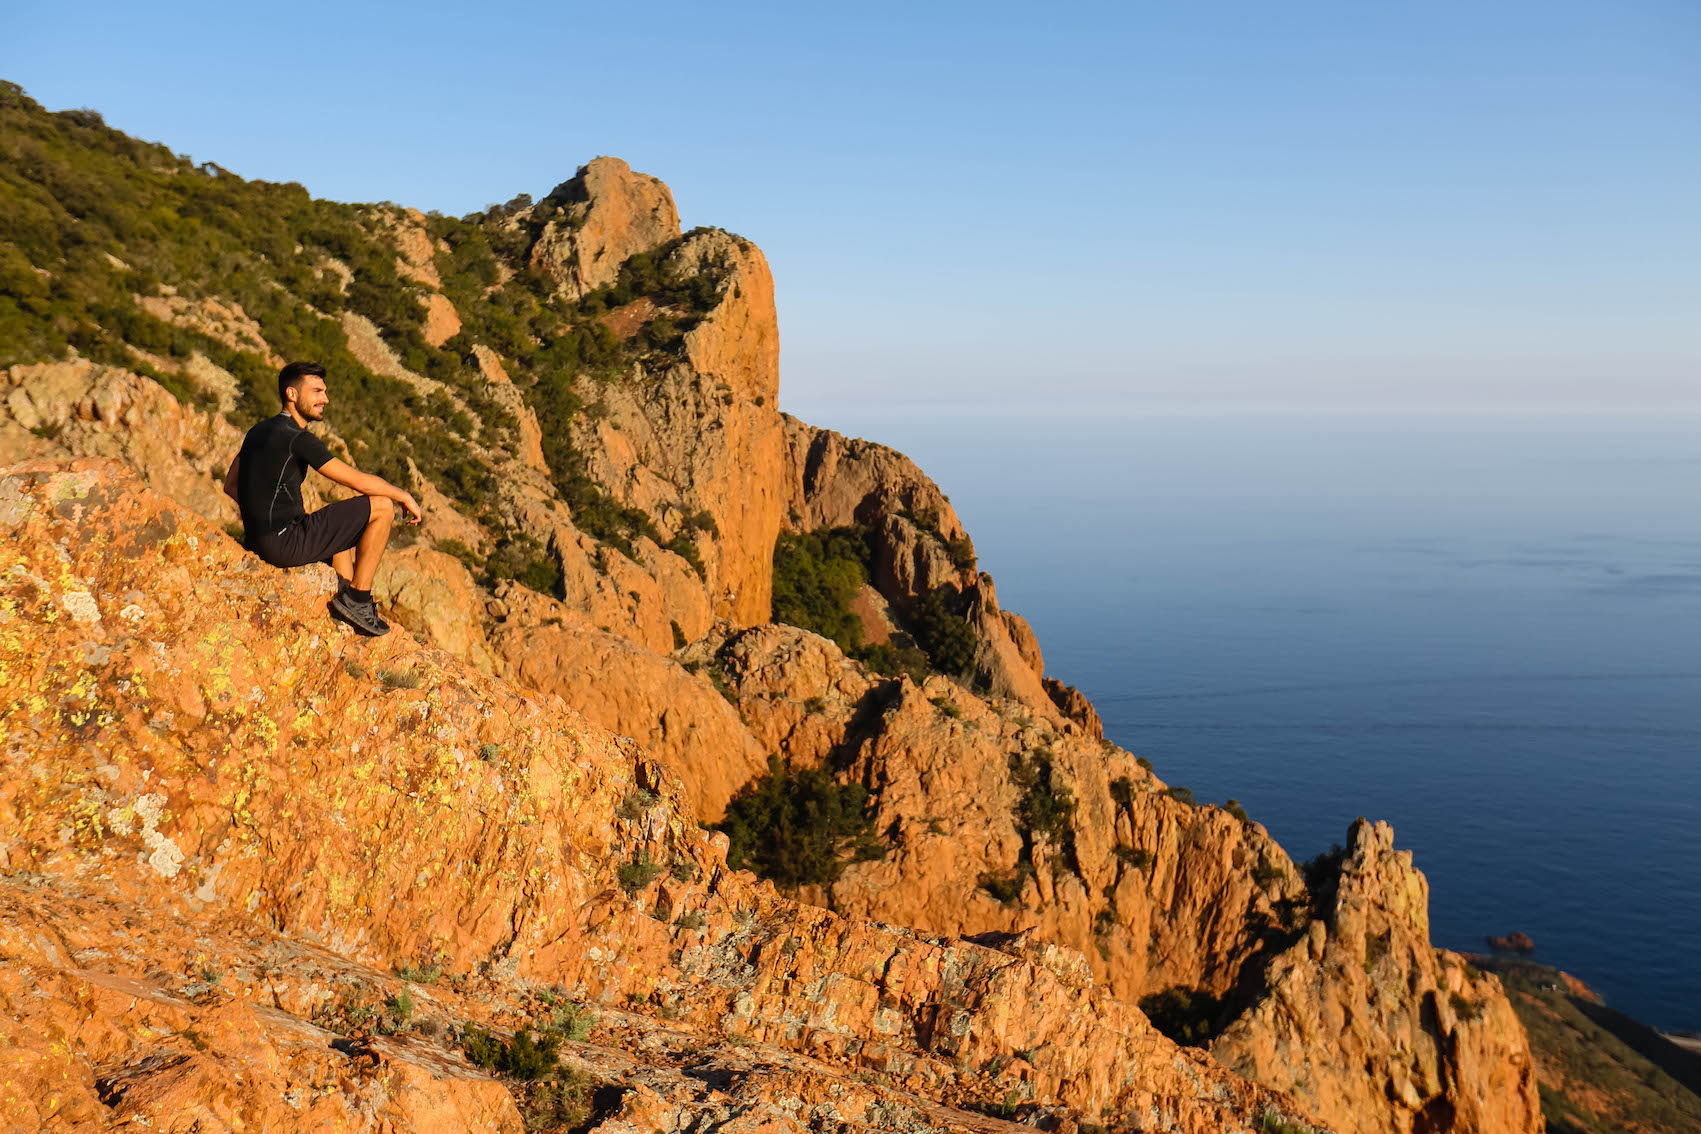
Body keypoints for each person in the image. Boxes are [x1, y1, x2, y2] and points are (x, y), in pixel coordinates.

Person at [223, 362, 421, 636]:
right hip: (283, 544)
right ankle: (358, 599)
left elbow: (231, 485)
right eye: (317, 392)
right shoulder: (298, 438)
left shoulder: (257, 431)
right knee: (381, 507)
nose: (325, 399)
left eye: (325, 392)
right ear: (292, 394)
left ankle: (345, 596)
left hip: (258, 541)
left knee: (337, 530)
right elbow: (357, 480)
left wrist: (260, 521)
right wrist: (404, 495)